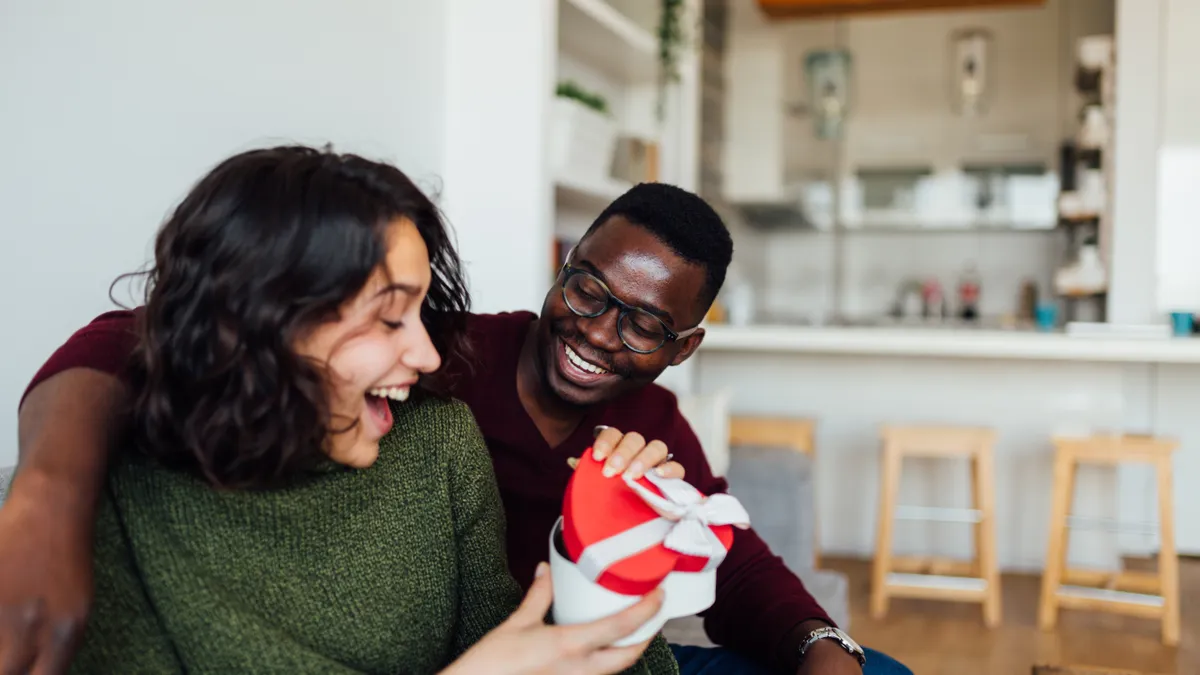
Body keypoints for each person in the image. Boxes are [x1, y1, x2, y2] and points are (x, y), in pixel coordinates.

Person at [2, 182, 912, 674]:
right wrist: (44, 493)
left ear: (682, 347)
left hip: (568, 642)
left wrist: (816, 643)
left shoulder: (623, 420)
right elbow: (145, 335)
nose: (598, 329)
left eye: (641, 324)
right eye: (588, 290)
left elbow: (725, 556)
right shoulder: (455, 359)